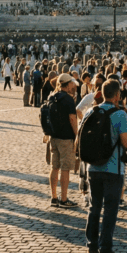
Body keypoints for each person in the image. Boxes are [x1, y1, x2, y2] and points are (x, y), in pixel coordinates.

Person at [82, 79, 127, 253]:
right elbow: (125, 142)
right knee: (110, 209)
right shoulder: (119, 114)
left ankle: (91, 248)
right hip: (113, 168)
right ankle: (105, 250)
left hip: (93, 167)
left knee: (94, 208)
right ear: (118, 95)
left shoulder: (90, 111)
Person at [47, 74, 80, 207]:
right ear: (67, 84)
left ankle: (54, 197)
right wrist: (77, 135)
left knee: (54, 167)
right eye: (72, 83)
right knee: (65, 168)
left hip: (53, 137)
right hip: (66, 138)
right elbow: (72, 119)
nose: (74, 85)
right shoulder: (68, 99)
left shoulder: (51, 96)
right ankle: (64, 199)